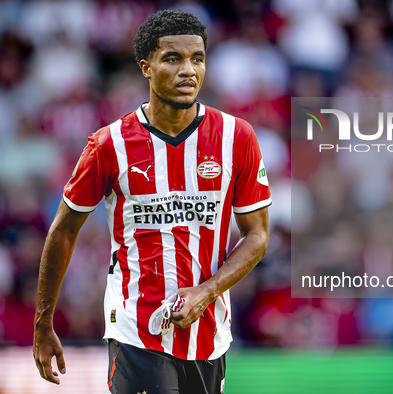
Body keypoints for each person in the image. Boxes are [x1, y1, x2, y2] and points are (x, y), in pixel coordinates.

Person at [33, 10, 271, 394]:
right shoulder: (108, 144)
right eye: (173, 58)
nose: (188, 70)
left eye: (198, 58)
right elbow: (63, 231)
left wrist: (207, 292)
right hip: (135, 329)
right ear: (146, 67)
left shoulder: (237, 138)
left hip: (209, 334)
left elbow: (257, 235)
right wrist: (43, 323)